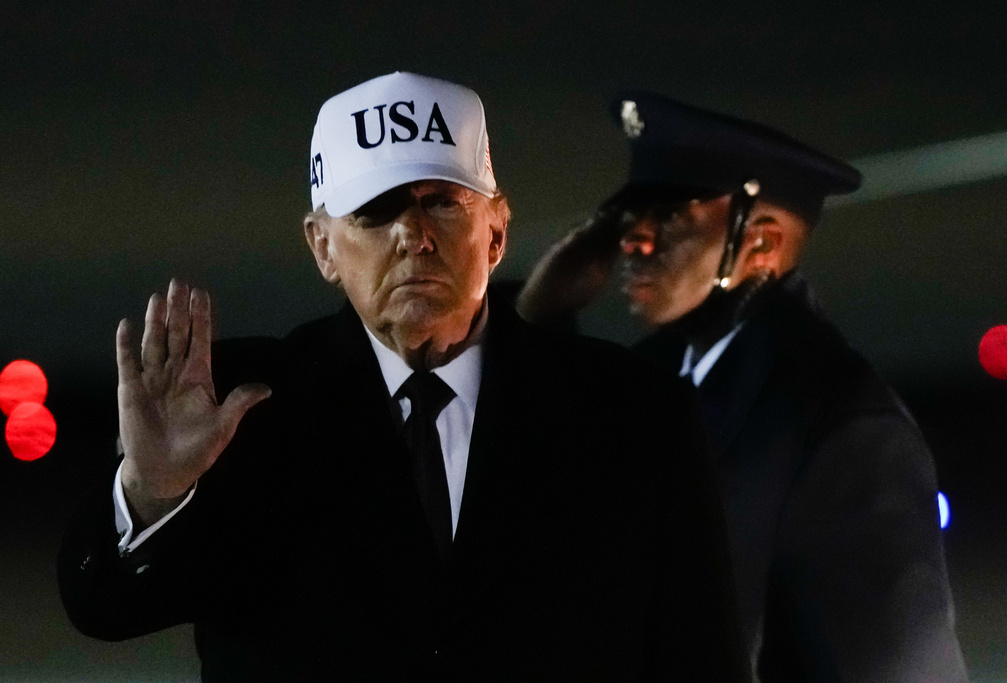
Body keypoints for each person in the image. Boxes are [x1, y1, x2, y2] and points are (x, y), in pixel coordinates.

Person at [57, 73, 748, 682]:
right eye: (376, 211)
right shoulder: (236, 409)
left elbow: (701, 658)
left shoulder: (632, 415)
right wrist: (150, 496)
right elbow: (106, 610)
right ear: (323, 246)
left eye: (441, 202)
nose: (412, 236)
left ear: (497, 231)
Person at [517, 93, 968, 682]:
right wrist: (540, 319)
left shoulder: (840, 424)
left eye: (672, 217)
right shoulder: (658, 376)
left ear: (760, 243)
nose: (634, 241)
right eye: (632, 217)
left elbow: (895, 669)